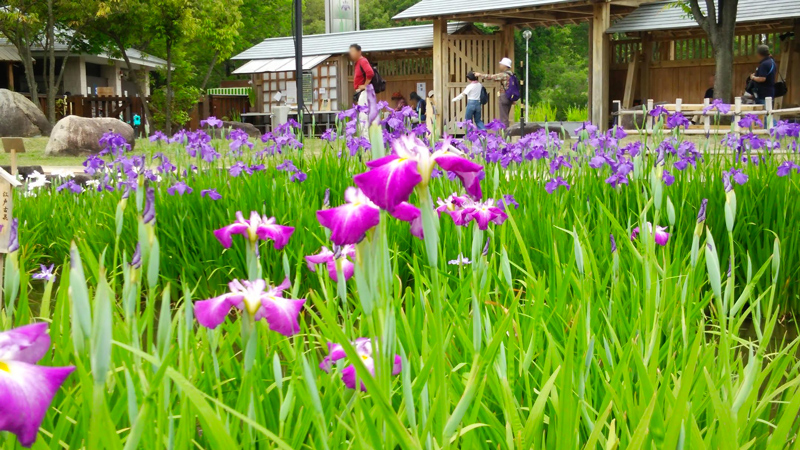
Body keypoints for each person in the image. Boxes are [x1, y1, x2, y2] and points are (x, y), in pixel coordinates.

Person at [476, 57, 516, 128]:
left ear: (505, 65)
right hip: (510, 97)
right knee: (506, 116)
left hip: (504, 96)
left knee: (503, 118)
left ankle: (505, 133)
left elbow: (491, 77)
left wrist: (479, 75)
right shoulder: (512, 75)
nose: (500, 65)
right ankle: (507, 132)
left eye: (501, 64)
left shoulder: (503, 75)